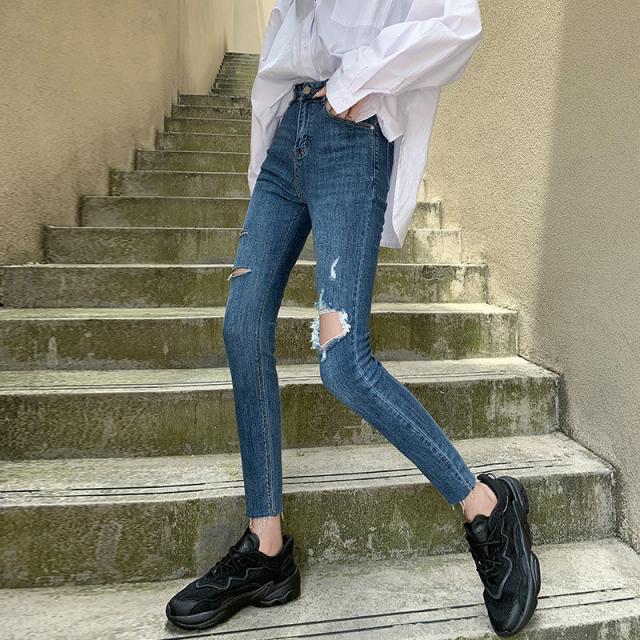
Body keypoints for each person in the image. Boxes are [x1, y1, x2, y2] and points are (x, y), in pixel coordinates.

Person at [166, 1, 541, 636]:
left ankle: (487, 505)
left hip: (351, 132)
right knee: (241, 326)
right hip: (288, 134)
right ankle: (266, 551)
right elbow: (289, 37)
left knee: (342, 362)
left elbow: (458, 24)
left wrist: (353, 81)